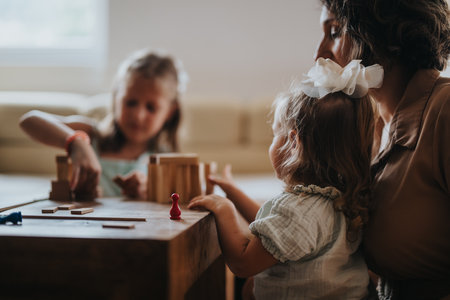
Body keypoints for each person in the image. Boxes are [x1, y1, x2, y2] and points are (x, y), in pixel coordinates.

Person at [188, 58, 382, 299]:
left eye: (274, 135)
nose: (271, 144)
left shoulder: (297, 211)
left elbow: (243, 262)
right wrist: (233, 192)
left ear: (293, 142)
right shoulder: (340, 200)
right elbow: (274, 226)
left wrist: (223, 208)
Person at [315, 1, 450, 299]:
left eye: (335, 32)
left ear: (379, 31)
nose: (320, 54)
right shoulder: (371, 124)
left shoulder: (444, 111)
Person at [20, 49, 187, 199]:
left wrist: (150, 191)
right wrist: (75, 143)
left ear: (170, 113)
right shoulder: (91, 135)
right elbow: (29, 120)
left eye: (151, 107)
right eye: (130, 102)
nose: (138, 115)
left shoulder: (168, 160)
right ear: (116, 98)